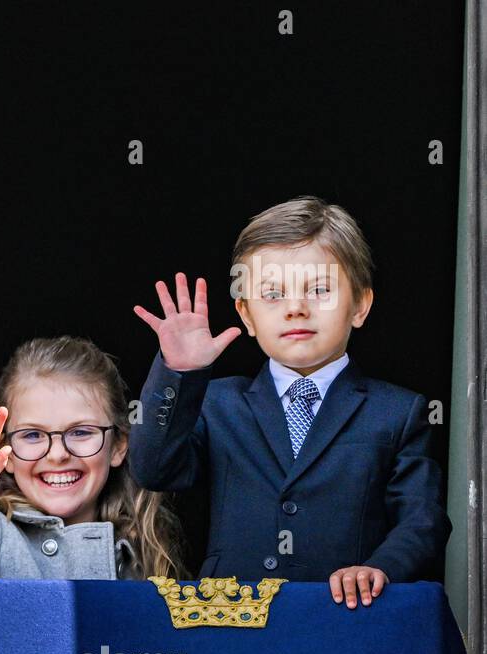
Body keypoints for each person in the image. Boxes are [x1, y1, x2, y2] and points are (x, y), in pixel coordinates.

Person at [128, 196, 451, 607]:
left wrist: (380, 568)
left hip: (346, 619)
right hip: (231, 622)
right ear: (246, 315)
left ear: (360, 305)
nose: (296, 308)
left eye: (319, 290)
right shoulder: (217, 402)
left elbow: (422, 520)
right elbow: (153, 469)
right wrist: (179, 373)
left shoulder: (397, 412)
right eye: (273, 295)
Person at [0, 337, 185, 580]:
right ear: (6, 453)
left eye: (81, 432)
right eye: (32, 435)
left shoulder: (146, 546)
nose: (57, 455)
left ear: (119, 445)